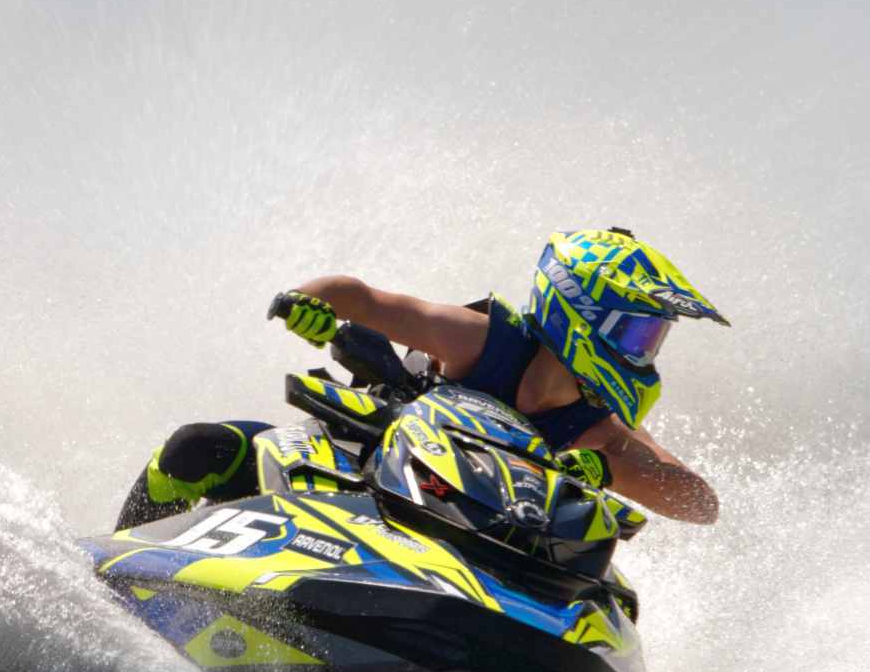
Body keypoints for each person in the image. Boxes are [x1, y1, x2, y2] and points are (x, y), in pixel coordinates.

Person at [114, 227, 727, 530]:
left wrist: (608, 471)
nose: (645, 354)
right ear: (579, 307)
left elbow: (700, 502)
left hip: (468, 546)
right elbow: (359, 297)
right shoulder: (480, 341)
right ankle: (109, 589)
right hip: (354, 472)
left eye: (653, 339)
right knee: (196, 448)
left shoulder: (598, 429)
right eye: (637, 334)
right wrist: (308, 303)